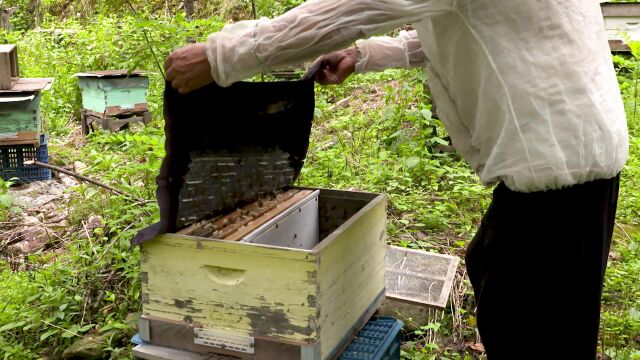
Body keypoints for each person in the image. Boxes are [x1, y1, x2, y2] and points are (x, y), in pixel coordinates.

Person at [164, 1, 628, 359]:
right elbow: (448, 27)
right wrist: (362, 55)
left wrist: (221, 56)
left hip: (561, 175)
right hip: (569, 165)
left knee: (533, 329)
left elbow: (360, 6)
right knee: (496, 276)